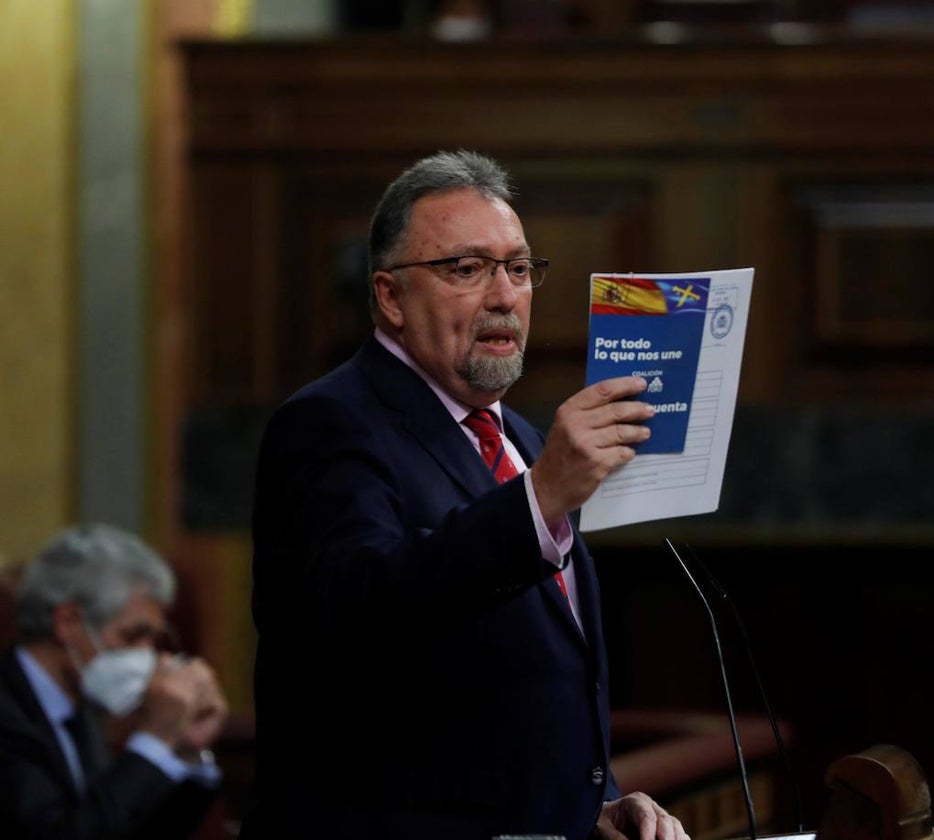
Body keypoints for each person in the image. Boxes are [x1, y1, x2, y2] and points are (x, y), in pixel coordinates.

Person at [245, 150, 689, 840]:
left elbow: (518, 678)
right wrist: (539, 500)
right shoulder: (329, 423)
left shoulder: (522, 440)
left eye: (518, 268)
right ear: (390, 297)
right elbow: (364, 612)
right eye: (466, 269)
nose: (505, 296)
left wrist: (591, 809)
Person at [0, 523, 228, 840]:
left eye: (153, 639)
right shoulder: (9, 713)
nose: (148, 656)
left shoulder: (81, 710)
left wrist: (182, 749)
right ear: (68, 623)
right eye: (133, 636)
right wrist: (155, 737)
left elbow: (127, 829)